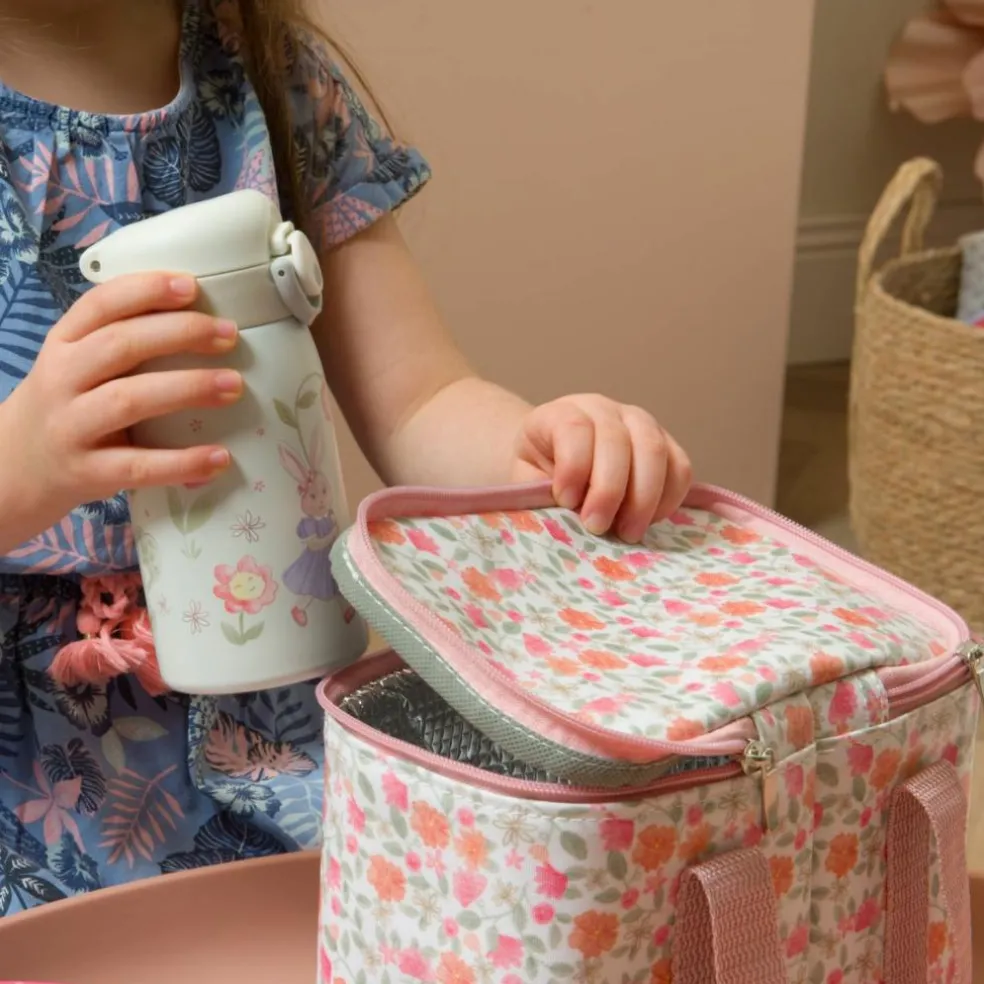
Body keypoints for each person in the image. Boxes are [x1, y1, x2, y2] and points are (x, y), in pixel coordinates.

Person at [0, 0, 692, 911]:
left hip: (284, 729)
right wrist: (22, 470)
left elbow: (420, 398)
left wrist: (546, 450)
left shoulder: (272, 74)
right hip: (33, 791)